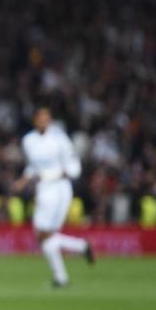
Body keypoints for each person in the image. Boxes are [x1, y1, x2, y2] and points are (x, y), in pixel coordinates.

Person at [13, 106, 95, 287]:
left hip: (59, 188)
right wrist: (23, 180)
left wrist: (68, 173)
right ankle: (78, 252)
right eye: (41, 118)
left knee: (44, 234)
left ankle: (63, 273)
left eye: (47, 118)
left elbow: (73, 163)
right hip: (42, 188)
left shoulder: (60, 139)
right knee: (44, 235)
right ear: (35, 120)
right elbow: (33, 166)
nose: (44, 121)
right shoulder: (29, 141)